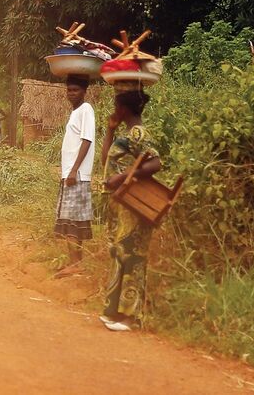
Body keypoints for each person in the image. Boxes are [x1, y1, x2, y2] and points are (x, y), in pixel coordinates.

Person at [99, 86, 162, 332]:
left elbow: (155, 162)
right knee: (119, 254)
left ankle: (131, 317)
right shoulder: (125, 133)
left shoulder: (139, 133)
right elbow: (106, 161)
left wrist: (124, 177)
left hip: (133, 205)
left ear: (124, 108)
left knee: (133, 256)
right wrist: (110, 130)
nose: (114, 110)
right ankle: (113, 311)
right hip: (120, 205)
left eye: (117, 106)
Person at [53, 76, 96, 278]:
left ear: (84, 91)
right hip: (71, 174)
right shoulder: (76, 112)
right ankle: (75, 263)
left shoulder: (86, 109)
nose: (71, 93)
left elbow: (87, 140)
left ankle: (76, 264)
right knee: (71, 220)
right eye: (69, 90)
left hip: (76, 175)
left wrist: (73, 170)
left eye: (75, 90)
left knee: (72, 221)